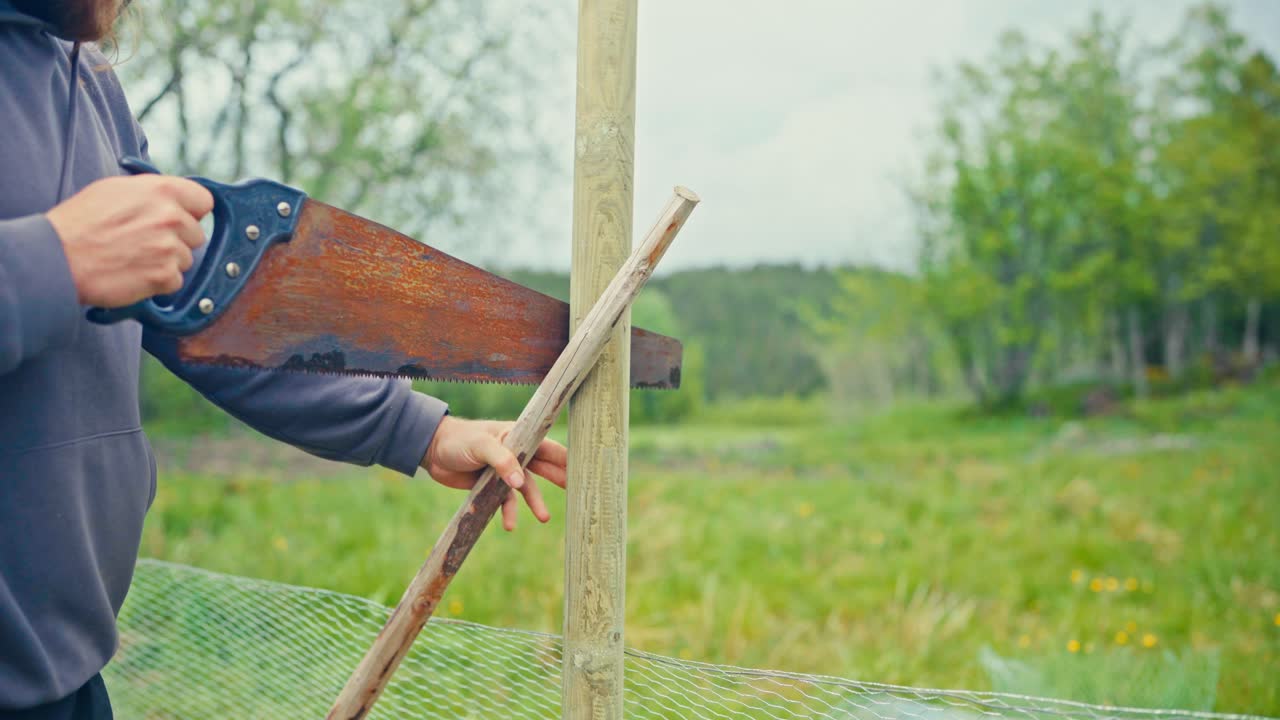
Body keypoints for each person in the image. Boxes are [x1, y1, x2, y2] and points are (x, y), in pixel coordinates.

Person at [0, 1, 569, 717]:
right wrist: (52, 263)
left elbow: (203, 310)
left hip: (69, 675)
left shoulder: (86, 83)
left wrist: (419, 429)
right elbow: (69, 265)